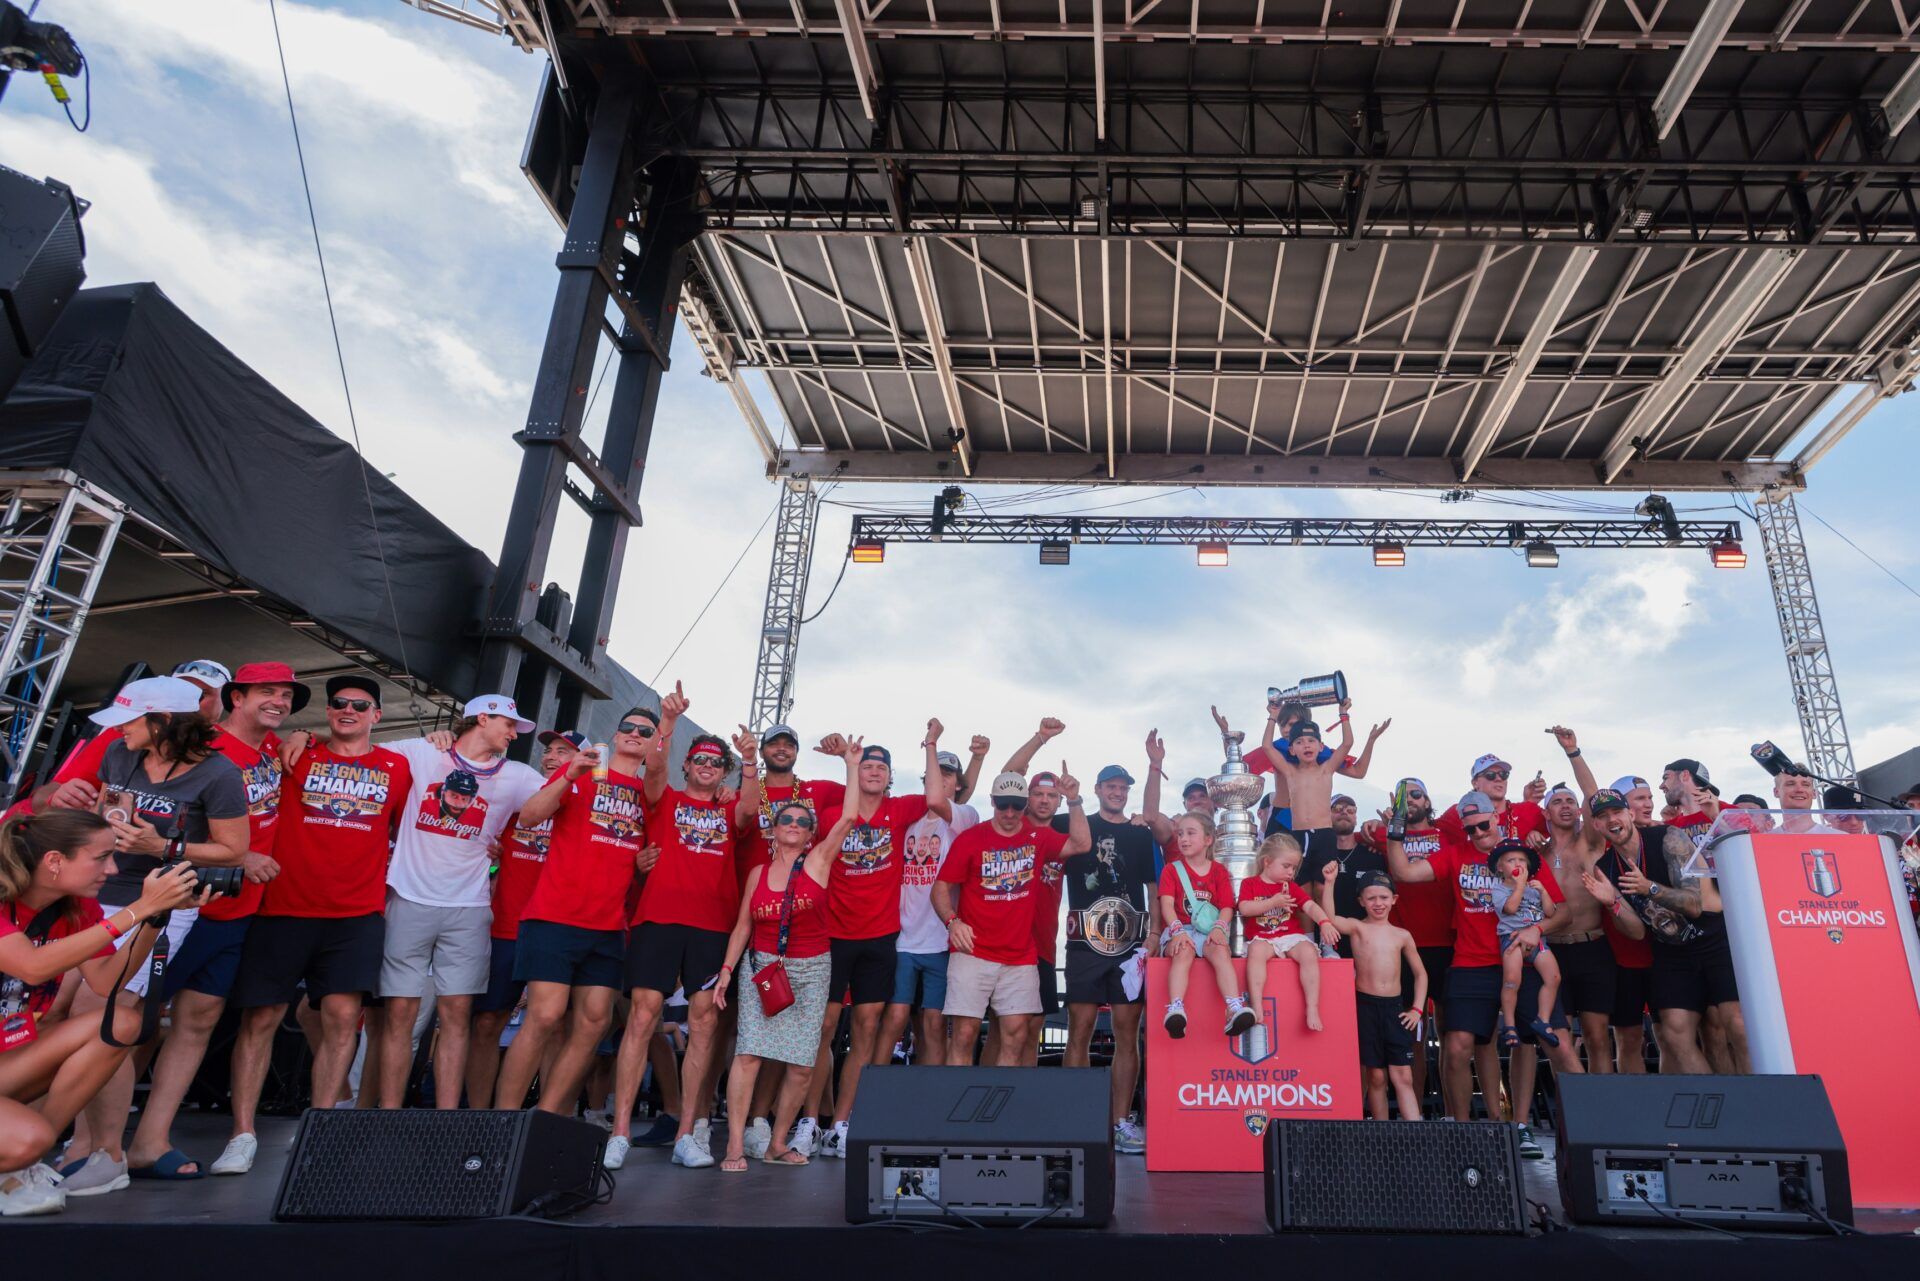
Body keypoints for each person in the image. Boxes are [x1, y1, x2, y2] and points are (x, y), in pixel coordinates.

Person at [302, 693, 544, 1112]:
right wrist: (307, 735)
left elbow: (559, 805)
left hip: (469, 908)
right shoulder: (419, 752)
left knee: (456, 1018)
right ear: (481, 718)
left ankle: (444, 1120)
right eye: (509, 724)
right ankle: (389, 1116)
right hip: (408, 899)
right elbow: (354, 747)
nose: (513, 733)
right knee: (398, 1016)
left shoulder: (520, 775)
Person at [57, 675, 249, 1185]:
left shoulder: (220, 773)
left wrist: (161, 847)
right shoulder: (121, 755)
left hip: (162, 901)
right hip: (98, 894)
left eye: (128, 720)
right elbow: (107, 809)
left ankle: (109, 1156)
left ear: (163, 723)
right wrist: (107, 824)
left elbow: (234, 851)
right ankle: (82, 1145)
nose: (117, 731)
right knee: (68, 1013)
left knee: (103, 1017)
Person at [222, 677, 412, 1173]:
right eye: (339, 703)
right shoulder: (293, 753)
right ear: (328, 713)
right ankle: (242, 1134)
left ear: (377, 715)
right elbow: (242, 735)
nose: (347, 710)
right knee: (259, 1020)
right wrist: (299, 735)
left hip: (355, 915)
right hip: (283, 907)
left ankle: (321, 1125)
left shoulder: (398, 766)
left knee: (343, 1020)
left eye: (360, 705)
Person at [1, 813, 206, 1216]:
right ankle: (19, 1157)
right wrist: (137, 907)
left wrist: (152, 918)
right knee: (28, 1138)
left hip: (9, 1061)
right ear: (55, 860)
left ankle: (20, 1167)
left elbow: (108, 982)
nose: (112, 870)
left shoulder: (76, 907)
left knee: (121, 1024)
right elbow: (32, 966)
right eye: (101, 857)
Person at [1382, 792, 1583, 1157]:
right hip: (1471, 961)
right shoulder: (1457, 853)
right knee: (1456, 1046)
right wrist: (1394, 835)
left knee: (1558, 1043)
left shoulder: (1521, 856)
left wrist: (1536, 930)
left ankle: (1582, 1131)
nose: (1478, 833)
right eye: (1470, 828)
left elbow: (1564, 914)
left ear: (1497, 818)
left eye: (1484, 825)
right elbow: (1404, 872)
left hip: (1521, 960)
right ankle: (1463, 1131)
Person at [494, 711, 664, 1116]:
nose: (635, 734)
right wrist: (569, 774)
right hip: (555, 914)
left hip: (607, 926)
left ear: (654, 744)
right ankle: (502, 1121)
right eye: (628, 727)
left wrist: (642, 871)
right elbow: (531, 817)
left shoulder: (649, 795)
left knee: (593, 1024)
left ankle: (546, 1119)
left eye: (646, 731)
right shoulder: (583, 772)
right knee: (546, 1016)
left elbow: (647, 863)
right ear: (615, 733)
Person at [606, 684, 740, 1172]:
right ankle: (620, 1131)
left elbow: (751, 811)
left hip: (711, 927)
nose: (706, 765)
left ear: (723, 772)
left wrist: (748, 763)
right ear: (687, 765)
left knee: (703, 1023)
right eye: (698, 759)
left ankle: (687, 1131)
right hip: (658, 920)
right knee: (642, 1017)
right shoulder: (664, 796)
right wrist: (666, 722)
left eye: (714, 761)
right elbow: (655, 768)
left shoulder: (731, 805)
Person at [809, 725, 947, 1160]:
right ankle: (810, 1122)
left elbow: (935, 797)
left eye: (880, 767)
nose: (873, 771)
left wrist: (929, 745)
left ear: (890, 776)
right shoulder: (832, 812)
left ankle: (844, 1124)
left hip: (881, 936)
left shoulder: (901, 808)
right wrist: (842, 760)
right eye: (866, 764)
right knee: (824, 1029)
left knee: (866, 1030)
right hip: (833, 934)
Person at [714, 797, 859, 1170]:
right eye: (786, 819)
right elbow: (743, 925)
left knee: (801, 1064)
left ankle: (777, 1143)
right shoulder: (757, 874)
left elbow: (847, 818)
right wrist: (727, 970)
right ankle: (733, 1145)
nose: (794, 823)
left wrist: (852, 763)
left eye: (802, 821)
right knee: (748, 1055)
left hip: (812, 969)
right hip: (763, 969)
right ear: (774, 830)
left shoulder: (817, 862)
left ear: (811, 835)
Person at [933, 767, 1089, 1065]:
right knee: (965, 1033)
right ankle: (956, 1106)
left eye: (1016, 805)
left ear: (1024, 806)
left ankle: (1000, 1109)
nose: (1009, 811)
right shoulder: (971, 838)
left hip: (1020, 957)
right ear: (992, 801)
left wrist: (1074, 801)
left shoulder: (1038, 837)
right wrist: (952, 921)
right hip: (972, 951)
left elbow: (1081, 844)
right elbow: (940, 889)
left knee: (1016, 1035)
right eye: (1002, 803)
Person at [1060, 735, 1165, 1155]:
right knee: (1079, 1030)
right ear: (1099, 789)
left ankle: (1121, 1120)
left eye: (1123, 787)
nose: (1117, 793)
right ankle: (1077, 1118)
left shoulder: (1140, 834)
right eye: (1111, 786)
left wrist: (1155, 933)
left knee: (1127, 1032)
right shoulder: (1078, 822)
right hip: (1084, 941)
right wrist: (1070, 800)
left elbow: (1155, 887)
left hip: (1129, 944)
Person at [469, 729, 583, 1111]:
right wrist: (494, 863)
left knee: (554, 1027)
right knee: (487, 1023)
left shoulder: (587, 809)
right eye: (548, 750)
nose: (551, 756)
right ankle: (480, 1117)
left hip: (556, 930)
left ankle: (548, 1119)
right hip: (507, 927)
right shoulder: (518, 804)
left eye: (563, 752)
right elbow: (484, 854)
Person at [881, 745, 983, 1081]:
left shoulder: (964, 817)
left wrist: (933, 743)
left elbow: (943, 801)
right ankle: (873, 1093)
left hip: (940, 940)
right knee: (895, 1018)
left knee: (933, 1022)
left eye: (948, 775)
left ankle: (930, 1098)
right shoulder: (910, 820)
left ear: (957, 785)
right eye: (935, 774)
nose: (941, 780)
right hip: (903, 937)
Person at [27, 660, 233, 816]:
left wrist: (159, 846)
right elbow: (42, 799)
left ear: (226, 700)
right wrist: (58, 797)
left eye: (200, 694)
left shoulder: (226, 757)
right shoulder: (121, 741)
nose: (186, 702)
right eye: (177, 692)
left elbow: (232, 843)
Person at [1359, 778, 1451, 1112]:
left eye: (1416, 794)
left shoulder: (1447, 835)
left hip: (1447, 944)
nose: (1410, 800)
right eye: (1403, 796)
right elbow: (1353, 836)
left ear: (1428, 800)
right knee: (1411, 1034)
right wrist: (1370, 826)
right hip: (1400, 945)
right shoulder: (1385, 835)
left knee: (1449, 1036)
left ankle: (1449, 1116)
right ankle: (1415, 1111)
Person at [1328, 874, 1427, 1122]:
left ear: (1394, 899)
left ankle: (1417, 1135)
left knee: (1403, 1075)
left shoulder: (1402, 935)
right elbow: (1330, 919)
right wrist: (1329, 883)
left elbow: (1421, 974)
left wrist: (1416, 1009)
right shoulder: (1358, 927)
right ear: (1361, 901)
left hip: (1395, 1008)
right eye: (1371, 898)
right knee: (1376, 1076)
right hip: (1365, 1006)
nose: (1378, 903)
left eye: (1383, 897)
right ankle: (1381, 1134)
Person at [1156, 811, 1249, 1039]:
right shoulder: (1172, 869)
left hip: (1208, 930)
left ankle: (1233, 1006)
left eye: (1190, 833)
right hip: (1181, 928)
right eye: (1180, 834)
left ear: (1208, 839)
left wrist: (1219, 928)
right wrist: (1177, 931)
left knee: (1219, 951)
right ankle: (1176, 1007)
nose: (1183, 839)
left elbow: (1227, 906)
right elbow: (1167, 905)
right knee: (1183, 951)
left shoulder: (1218, 871)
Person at [1236, 832, 1338, 1033]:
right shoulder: (1250, 883)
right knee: (1256, 952)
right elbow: (1245, 909)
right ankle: (1256, 1004)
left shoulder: (1291, 887)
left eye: (1294, 867)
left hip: (1289, 936)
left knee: (1308, 953)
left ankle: (1312, 1007)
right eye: (1286, 866)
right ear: (1267, 862)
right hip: (1263, 937)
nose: (1291, 872)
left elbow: (1310, 906)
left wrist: (1324, 921)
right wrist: (1273, 902)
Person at [1239, 699, 1386, 831]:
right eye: (1281, 724)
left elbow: (1358, 772)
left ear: (1303, 723)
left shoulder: (1320, 752)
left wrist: (1371, 741)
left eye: (1290, 724)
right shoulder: (1275, 748)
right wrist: (1228, 739)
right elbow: (1241, 767)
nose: (1284, 730)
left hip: (1313, 823)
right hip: (1281, 815)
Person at [1257, 708, 1354, 865]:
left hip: (1324, 833)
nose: (1306, 746)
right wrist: (1272, 717)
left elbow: (1347, 743)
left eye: (1310, 741)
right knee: (1298, 883)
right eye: (1300, 742)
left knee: (1325, 884)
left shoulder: (1327, 768)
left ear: (1320, 746)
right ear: (1292, 749)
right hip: (1296, 830)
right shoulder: (1290, 771)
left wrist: (1344, 714)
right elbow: (1267, 747)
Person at [1492, 843, 1561, 1048]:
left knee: (1554, 977)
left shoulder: (1534, 888)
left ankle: (1543, 1019)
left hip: (1537, 940)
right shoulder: (1499, 888)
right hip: (1511, 939)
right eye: (1511, 860)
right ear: (1500, 868)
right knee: (1512, 980)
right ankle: (1510, 1025)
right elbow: (1511, 908)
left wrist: (1544, 893)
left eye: (1522, 860)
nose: (1517, 864)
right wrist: (1520, 885)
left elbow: (1550, 913)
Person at [1437, 753, 1548, 847]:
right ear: (1475, 783)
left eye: (1503, 774)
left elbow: (1563, 826)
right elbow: (1424, 830)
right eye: (1490, 775)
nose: (1499, 778)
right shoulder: (1458, 812)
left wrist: (1535, 833)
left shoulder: (1527, 810)